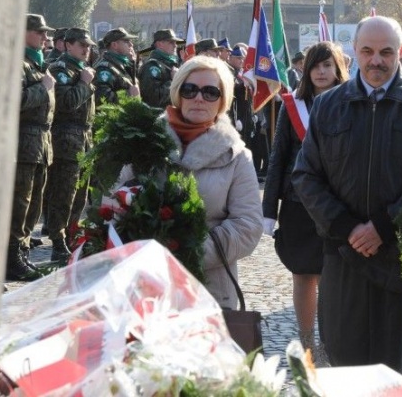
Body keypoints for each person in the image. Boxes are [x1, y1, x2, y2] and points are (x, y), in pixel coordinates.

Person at [293, 16, 402, 377]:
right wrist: (347, 227)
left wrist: (383, 226)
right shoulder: (329, 105)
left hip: (399, 259)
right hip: (342, 255)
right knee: (343, 369)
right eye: (367, 51)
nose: (375, 60)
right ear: (353, 53)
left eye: (386, 52)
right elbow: (305, 175)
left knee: (392, 373)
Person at [263, 42, 348, 357]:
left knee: (332, 275)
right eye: (316, 66)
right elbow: (278, 159)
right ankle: (307, 339)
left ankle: (330, 339)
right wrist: (269, 209)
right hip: (299, 204)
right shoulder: (291, 106)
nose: (322, 72)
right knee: (303, 272)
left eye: (327, 65)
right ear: (306, 70)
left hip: (337, 204)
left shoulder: (351, 102)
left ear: (337, 68)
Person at [164, 56, 264, 308]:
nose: (199, 98)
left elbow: (247, 226)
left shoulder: (237, 156)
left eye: (210, 92)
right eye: (190, 90)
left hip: (210, 290)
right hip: (148, 289)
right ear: (178, 93)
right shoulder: (144, 143)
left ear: (223, 100)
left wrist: (187, 251)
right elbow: (115, 202)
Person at [8, 14, 56, 281]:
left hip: (40, 144)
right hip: (23, 145)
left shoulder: (37, 67)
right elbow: (17, 100)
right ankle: (12, 257)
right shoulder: (19, 64)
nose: (46, 38)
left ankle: (21, 254)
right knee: (20, 203)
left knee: (33, 203)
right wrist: (44, 88)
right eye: (40, 33)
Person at [45, 28, 96, 263]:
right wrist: (85, 84)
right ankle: (57, 240)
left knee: (80, 195)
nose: (87, 50)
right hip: (66, 138)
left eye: (88, 46)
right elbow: (66, 103)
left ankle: (71, 237)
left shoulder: (82, 70)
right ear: (67, 46)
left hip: (83, 138)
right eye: (82, 45)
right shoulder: (60, 69)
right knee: (64, 192)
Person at [138, 29, 184, 108]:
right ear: (159, 44)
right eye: (171, 42)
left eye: (175, 42)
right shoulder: (152, 67)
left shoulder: (172, 64)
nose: (175, 45)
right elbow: (153, 100)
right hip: (158, 117)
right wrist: (173, 81)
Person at [94, 27, 140, 105]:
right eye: (126, 41)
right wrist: (128, 94)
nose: (131, 44)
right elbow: (102, 99)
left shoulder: (123, 65)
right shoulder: (104, 69)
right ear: (114, 45)